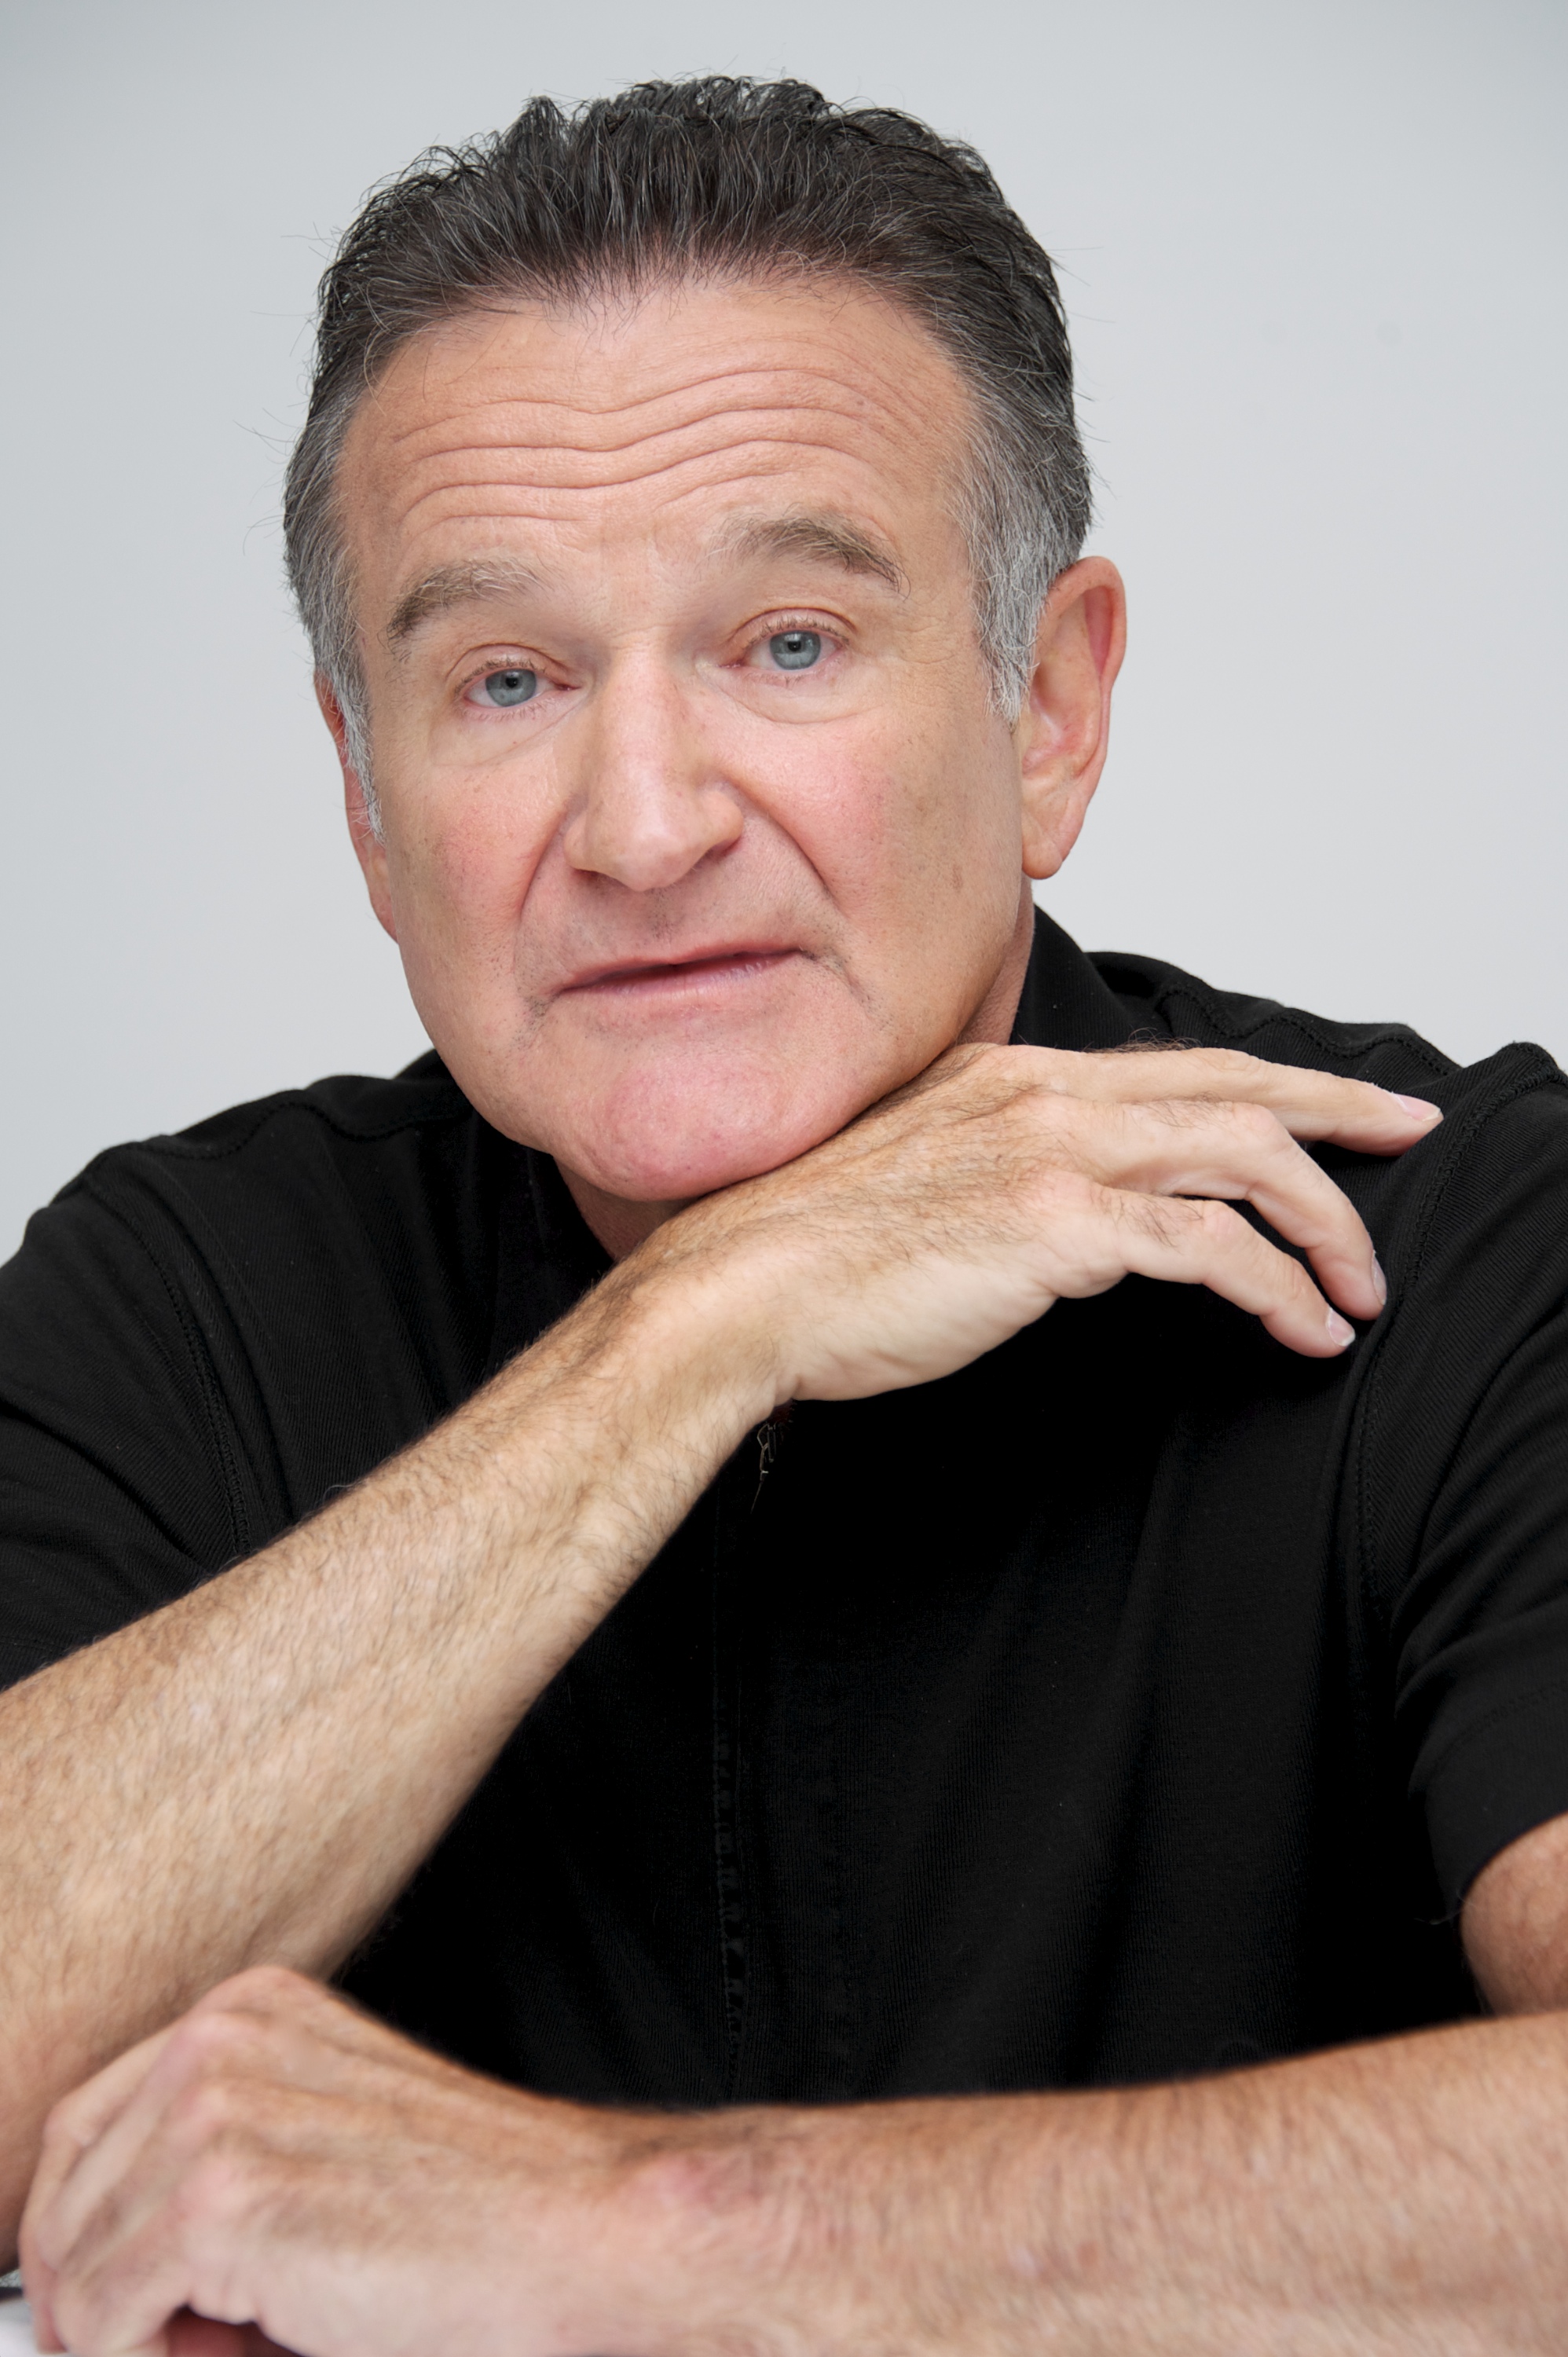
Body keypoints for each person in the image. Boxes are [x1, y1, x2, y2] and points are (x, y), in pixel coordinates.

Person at [4, 75, 1568, 2355]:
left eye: (790, 644)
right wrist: (696, 1329)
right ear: (362, 792)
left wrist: (656, 2230)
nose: (640, 825)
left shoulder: (1459, 1240)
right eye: (508, 683)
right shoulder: (184, 1300)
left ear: (1044, 706)